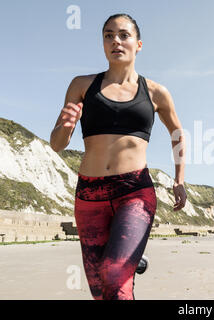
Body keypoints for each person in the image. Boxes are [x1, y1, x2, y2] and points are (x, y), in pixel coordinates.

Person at [50, 14, 187, 300]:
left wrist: (179, 179)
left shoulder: (156, 92)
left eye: (123, 35)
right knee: (102, 291)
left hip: (134, 191)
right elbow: (57, 145)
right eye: (108, 35)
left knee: (113, 276)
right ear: (103, 44)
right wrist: (65, 125)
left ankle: (128, 259)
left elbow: (177, 133)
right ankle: (130, 259)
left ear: (138, 44)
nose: (116, 41)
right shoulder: (82, 85)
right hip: (89, 195)